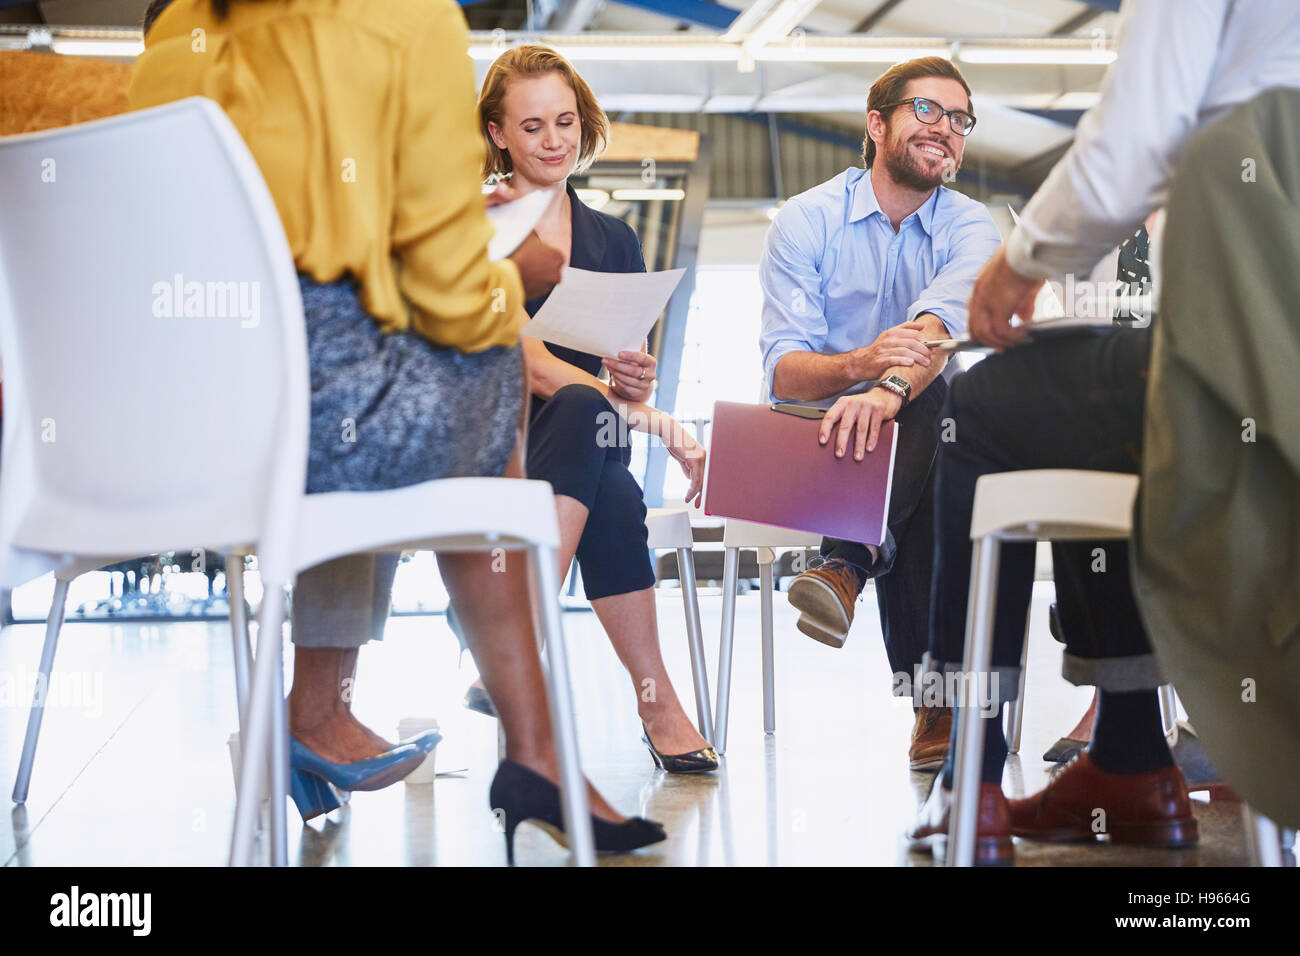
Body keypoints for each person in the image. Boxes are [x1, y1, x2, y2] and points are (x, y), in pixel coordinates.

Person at [131, 0, 666, 861]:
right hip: (316, 408)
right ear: (501, 132)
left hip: (186, 412)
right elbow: (446, 287)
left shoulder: (171, 39)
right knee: (482, 370)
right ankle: (532, 747)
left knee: (380, 403)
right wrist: (502, 268)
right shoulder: (404, 20)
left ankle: (330, 709)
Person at [906, 0, 1300, 864]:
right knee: (1113, 416)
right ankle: (1128, 758)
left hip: (1246, 368)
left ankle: (967, 776)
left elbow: (1134, 141)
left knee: (981, 407)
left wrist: (1020, 259)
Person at [469, 44, 716, 773]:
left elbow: (619, 379)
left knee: (596, 432)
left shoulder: (614, 238)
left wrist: (638, 387)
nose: (554, 141)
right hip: (503, 437)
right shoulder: (479, 227)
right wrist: (666, 427)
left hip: (590, 432)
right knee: (605, 466)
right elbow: (536, 368)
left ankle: (508, 651)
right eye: (534, 125)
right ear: (498, 135)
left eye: (566, 122)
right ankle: (657, 705)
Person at [759, 57, 1001, 769]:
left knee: (936, 400)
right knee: (932, 413)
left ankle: (846, 565)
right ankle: (936, 700)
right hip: (813, 439)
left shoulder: (970, 224)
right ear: (878, 124)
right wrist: (863, 368)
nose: (947, 130)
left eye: (960, 119)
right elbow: (784, 374)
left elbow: (939, 328)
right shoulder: (806, 220)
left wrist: (888, 387)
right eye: (928, 110)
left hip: (910, 430)